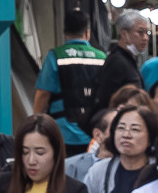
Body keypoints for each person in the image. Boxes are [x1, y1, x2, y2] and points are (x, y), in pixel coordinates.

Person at [86, 104, 158, 193]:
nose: (126, 135)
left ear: (150, 137)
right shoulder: (99, 171)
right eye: (120, 128)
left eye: (135, 129)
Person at [33, 11, 105, 151]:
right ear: (87, 33)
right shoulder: (101, 57)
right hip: (94, 132)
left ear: (64, 32)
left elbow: (43, 93)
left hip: (62, 131)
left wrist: (36, 124)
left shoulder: (56, 56)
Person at [90, 10, 154, 133]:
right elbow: (106, 100)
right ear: (124, 34)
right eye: (141, 32)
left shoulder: (127, 60)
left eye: (147, 33)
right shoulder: (117, 62)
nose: (146, 38)